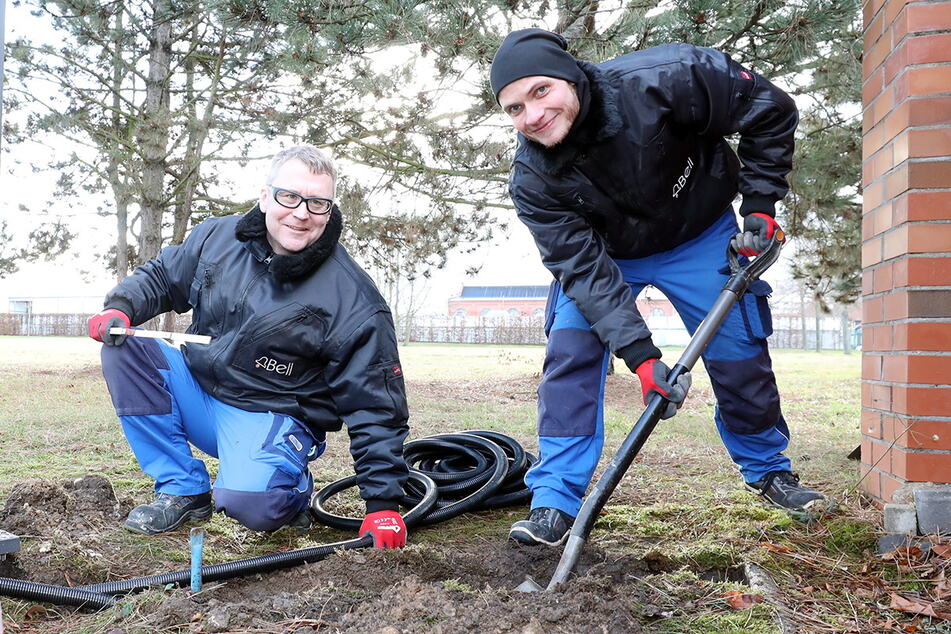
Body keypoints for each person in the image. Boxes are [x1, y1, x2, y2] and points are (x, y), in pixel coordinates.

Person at [489, 29, 826, 547]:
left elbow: (771, 110)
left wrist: (759, 204)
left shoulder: (670, 78)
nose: (531, 116)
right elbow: (582, 271)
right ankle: (554, 500)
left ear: (572, 76)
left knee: (740, 352)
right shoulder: (533, 179)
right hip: (608, 257)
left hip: (700, 231)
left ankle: (768, 470)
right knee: (570, 355)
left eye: (540, 92)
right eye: (513, 108)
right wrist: (643, 358)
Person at [87, 145, 409, 548]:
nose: (301, 212)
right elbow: (165, 277)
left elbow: (376, 404)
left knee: (253, 505)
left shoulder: (353, 299)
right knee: (124, 347)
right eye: (288, 197)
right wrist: (120, 307)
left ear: (330, 209)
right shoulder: (216, 237)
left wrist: (383, 506)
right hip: (200, 392)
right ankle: (183, 488)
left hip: (270, 413)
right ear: (264, 196)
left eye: (317, 203)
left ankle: (289, 484)